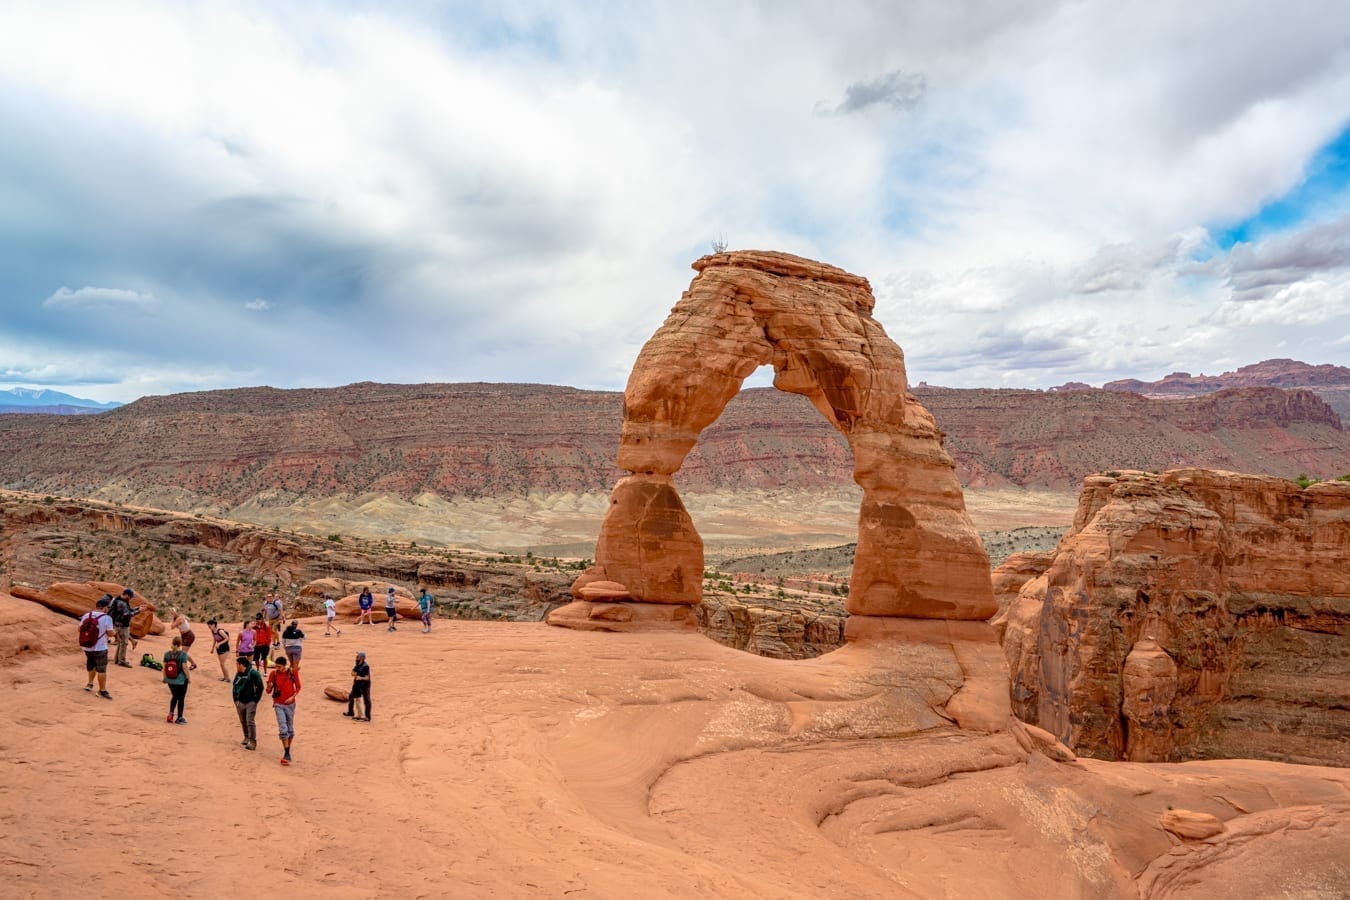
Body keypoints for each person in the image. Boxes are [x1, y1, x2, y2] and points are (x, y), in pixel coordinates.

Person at [266, 654, 301, 766]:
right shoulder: (273, 674)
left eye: (279, 667)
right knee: (283, 728)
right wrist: (269, 686)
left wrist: (292, 697)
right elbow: (268, 691)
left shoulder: (292, 673)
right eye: (276, 667)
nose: (278, 669)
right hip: (278, 704)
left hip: (290, 704)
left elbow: (298, 687)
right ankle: (286, 752)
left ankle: (287, 751)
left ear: (284, 666)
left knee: (290, 729)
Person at [80, 596, 116, 699]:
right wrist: (114, 633)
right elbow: (110, 633)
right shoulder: (107, 618)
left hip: (87, 646)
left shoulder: (87, 615)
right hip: (100, 647)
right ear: (105, 608)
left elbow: (80, 629)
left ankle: (89, 684)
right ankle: (102, 691)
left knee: (91, 665)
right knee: (101, 670)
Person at [232, 656, 264, 751]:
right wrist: (235, 700)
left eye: (237, 664)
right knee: (243, 721)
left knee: (250, 721)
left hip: (250, 701)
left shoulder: (253, 673)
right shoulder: (238, 674)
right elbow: (234, 686)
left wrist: (255, 700)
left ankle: (252, 741)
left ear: (241, 665)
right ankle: (246, 737)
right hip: (240, 701)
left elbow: (260, 687)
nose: (236, 666)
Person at [162, 636, 193, 724]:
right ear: (180, 644)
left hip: (170, 680)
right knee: (181, 698)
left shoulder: (167, 654)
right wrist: (188, 678)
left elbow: (164, 668)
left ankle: (171, 714)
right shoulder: (183, 654)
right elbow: (185, 668)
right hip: (180, 680)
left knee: (174, 696)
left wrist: (165, 678)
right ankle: (179, 718)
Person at [108, 588, 142, 667]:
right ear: (126, 595)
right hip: (122, 626)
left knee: (120, 643)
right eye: (130, 597)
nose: (130, 599)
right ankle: (122, 661)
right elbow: (128, 614)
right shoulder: (121, 603)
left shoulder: (120, 601)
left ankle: (117, 660)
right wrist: (139, 611)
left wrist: (137, 608)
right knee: (124, 643)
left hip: (118, 624)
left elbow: (128, 610)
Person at [344, 651, 371, 722]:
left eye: (358, 656)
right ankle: (351, 712)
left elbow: (367, 678)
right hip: (358, 685)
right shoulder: (357, 664)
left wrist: (360, 677)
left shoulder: (365, 666)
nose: (356, 657)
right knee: (351, 696)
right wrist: (356, 675)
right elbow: (352, 673)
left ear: (362, 658)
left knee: (367, 700)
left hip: (365, 686)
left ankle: (367, 717)